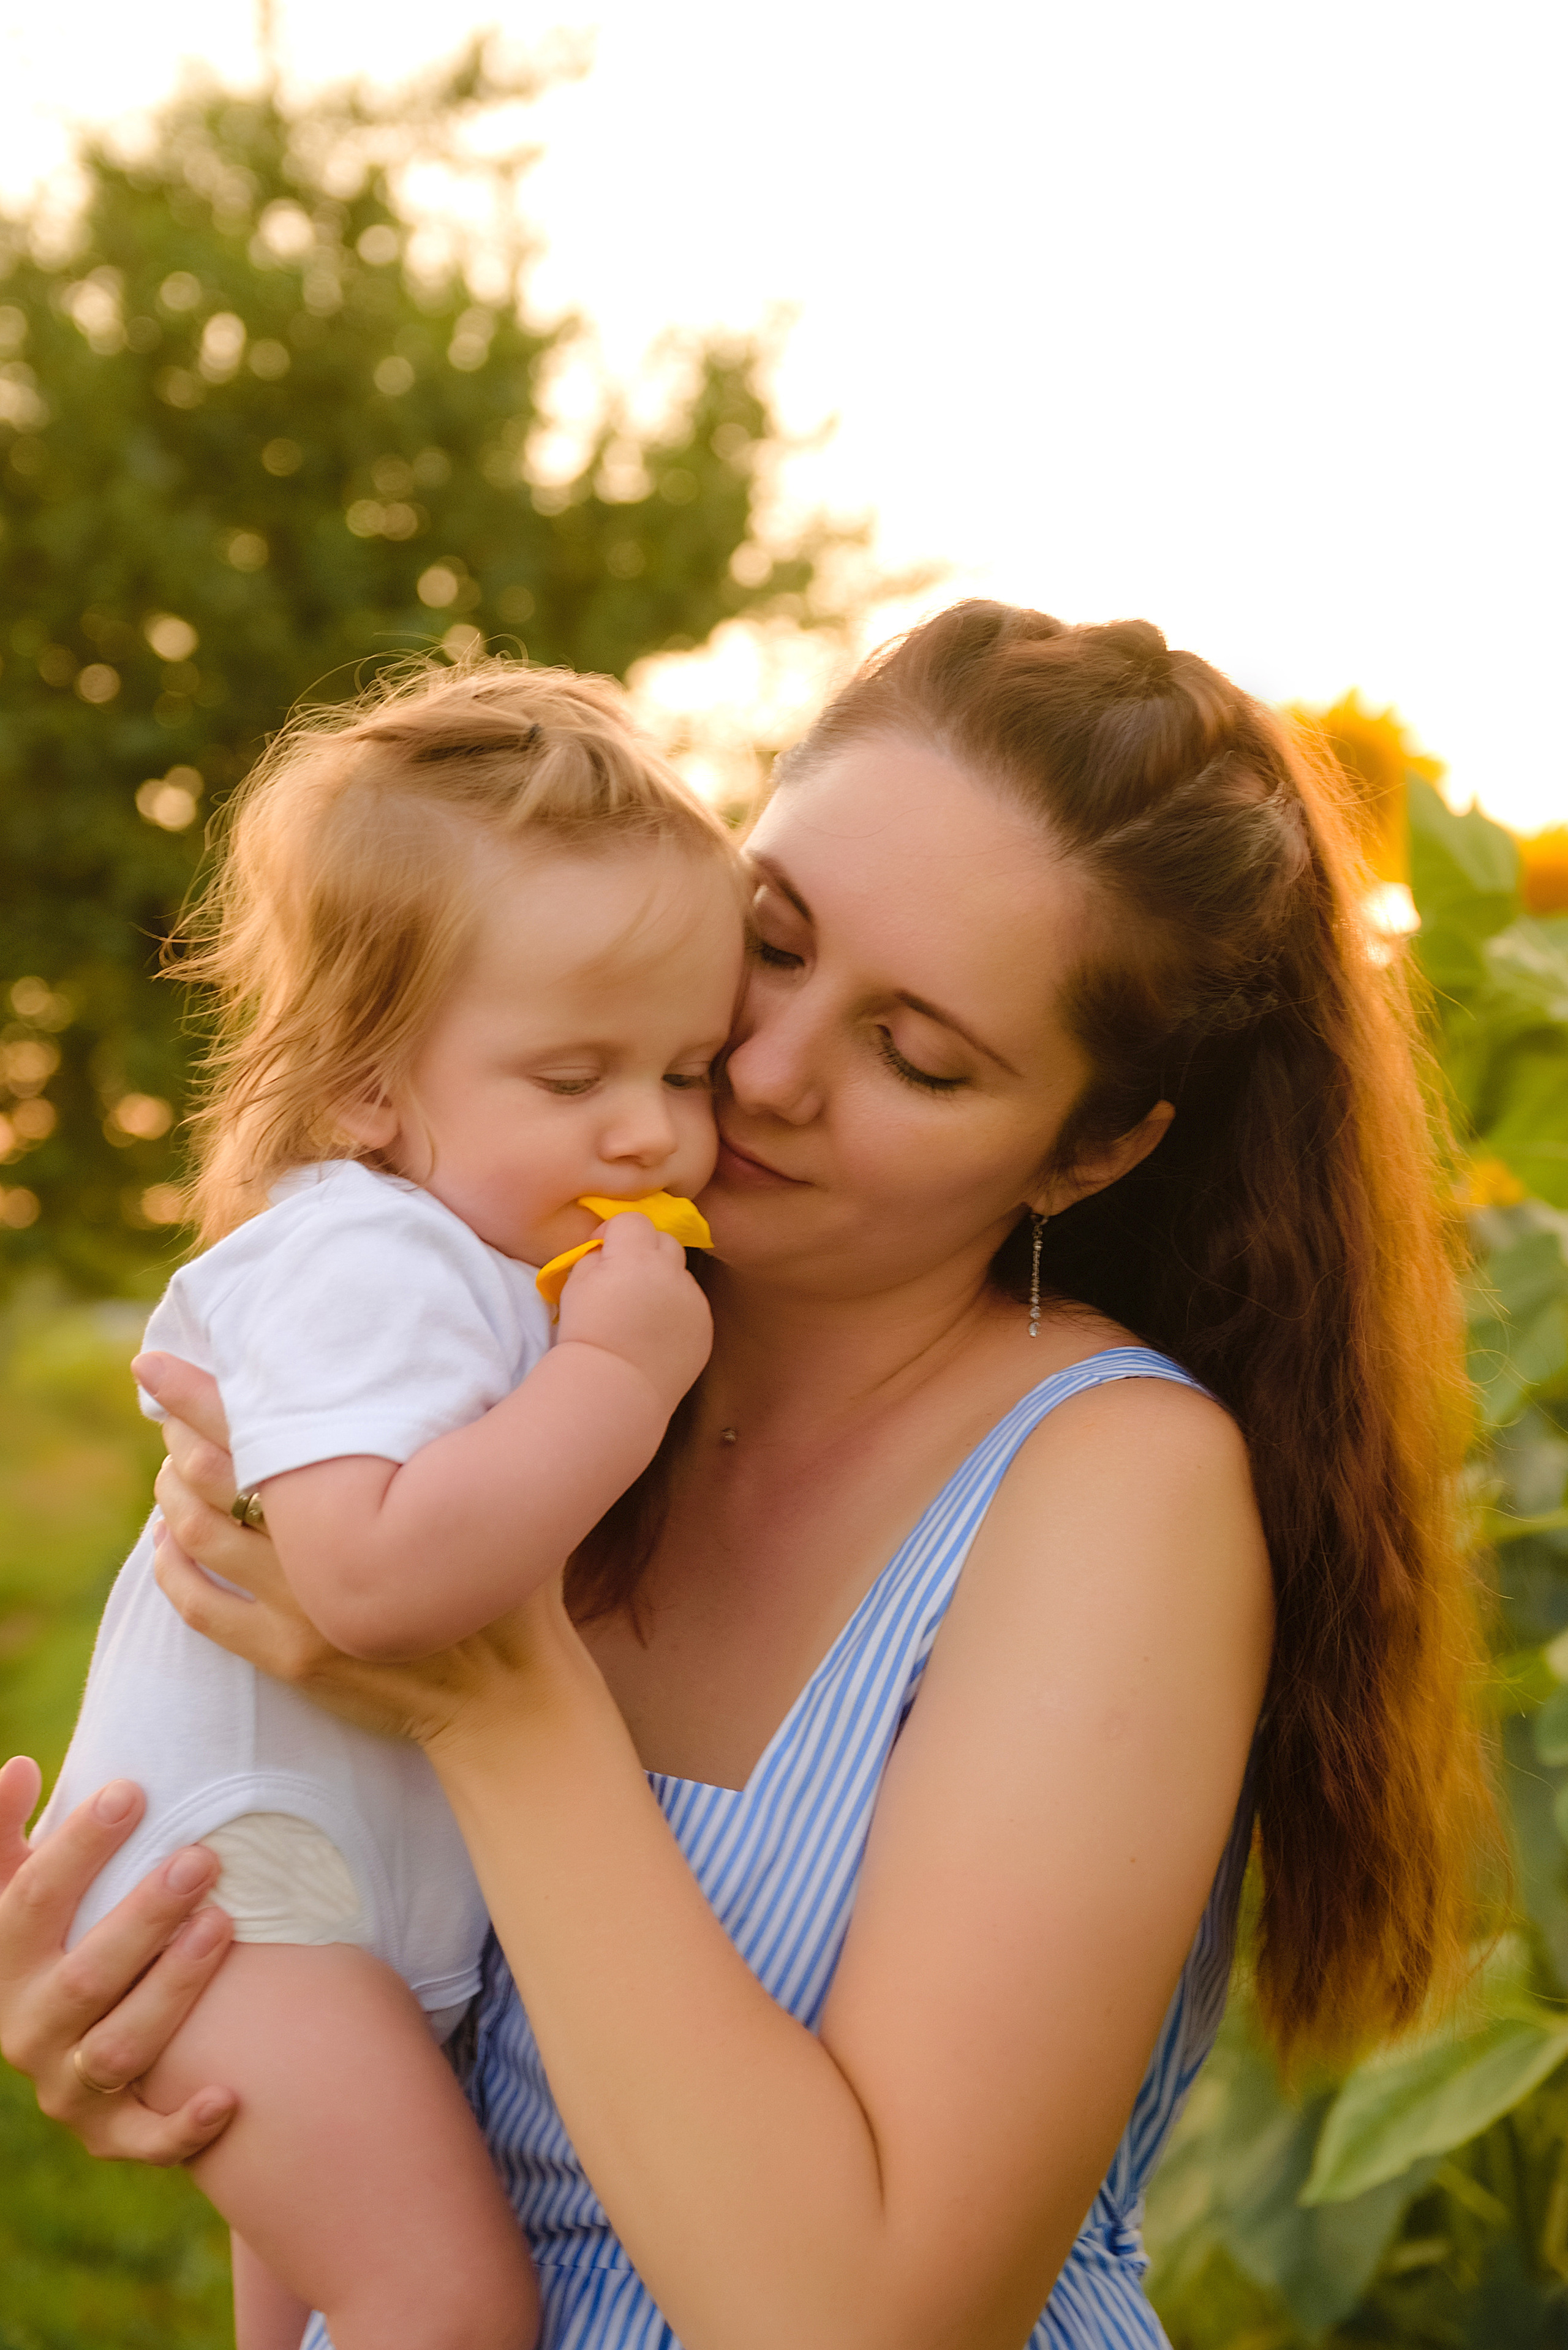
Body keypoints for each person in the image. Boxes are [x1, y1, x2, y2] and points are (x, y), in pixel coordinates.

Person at [0, 603, 1488, 2350]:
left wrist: (494, 1700)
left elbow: (865, 2320)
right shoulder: (512, 1346)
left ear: (1088, 1152)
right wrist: (179, 2019)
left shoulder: (1113, 1495)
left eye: (917, 1057)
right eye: (771, 948)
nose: (764, 1076)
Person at [29, 659, 744, 2350]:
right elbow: (362, 1577)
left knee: (334, 2321)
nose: (649, 1132)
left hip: (335, 1908)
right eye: (573, 1080)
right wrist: (621, 1383)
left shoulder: (489, 1253)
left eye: (692, 1068)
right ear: (369, 1087)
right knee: (443, 2302)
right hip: (245, 1898)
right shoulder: (367, 1254)